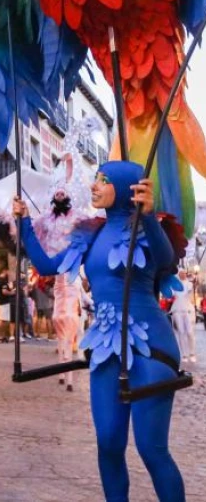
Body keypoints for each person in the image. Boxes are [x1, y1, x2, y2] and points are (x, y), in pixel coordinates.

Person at [14, 162, 186, 502]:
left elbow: (164, 260)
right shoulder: (90, 233)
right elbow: (49, 265)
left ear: (125, 188)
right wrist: (23, 223)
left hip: (150, 346)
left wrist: (149, 216)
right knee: (108, 444)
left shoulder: (147, 229)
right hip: (106, 346)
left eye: (104, 181)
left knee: (151, 449)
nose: (94, 186)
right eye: (96, 179)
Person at [170, 270, 196, 364]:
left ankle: (192, 353)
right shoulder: (174, 285)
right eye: (180, 273)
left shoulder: (189, 284)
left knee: (189, 332)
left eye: (184, 273)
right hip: (177, 309)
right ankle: (184, 354)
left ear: (186, 274)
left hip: (187, 309)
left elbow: (186, 292)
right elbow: (171, 294)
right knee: (181, 332)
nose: (182, 274)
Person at [0, 268, 14, 343]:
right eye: (8, 271)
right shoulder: (3, 281)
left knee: (0, 320)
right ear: (4, 271)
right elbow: (4, 291)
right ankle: (1, 336)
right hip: (4, 302)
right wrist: (12, 292)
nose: (8, 273)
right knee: (4, 320)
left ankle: (2, 336)